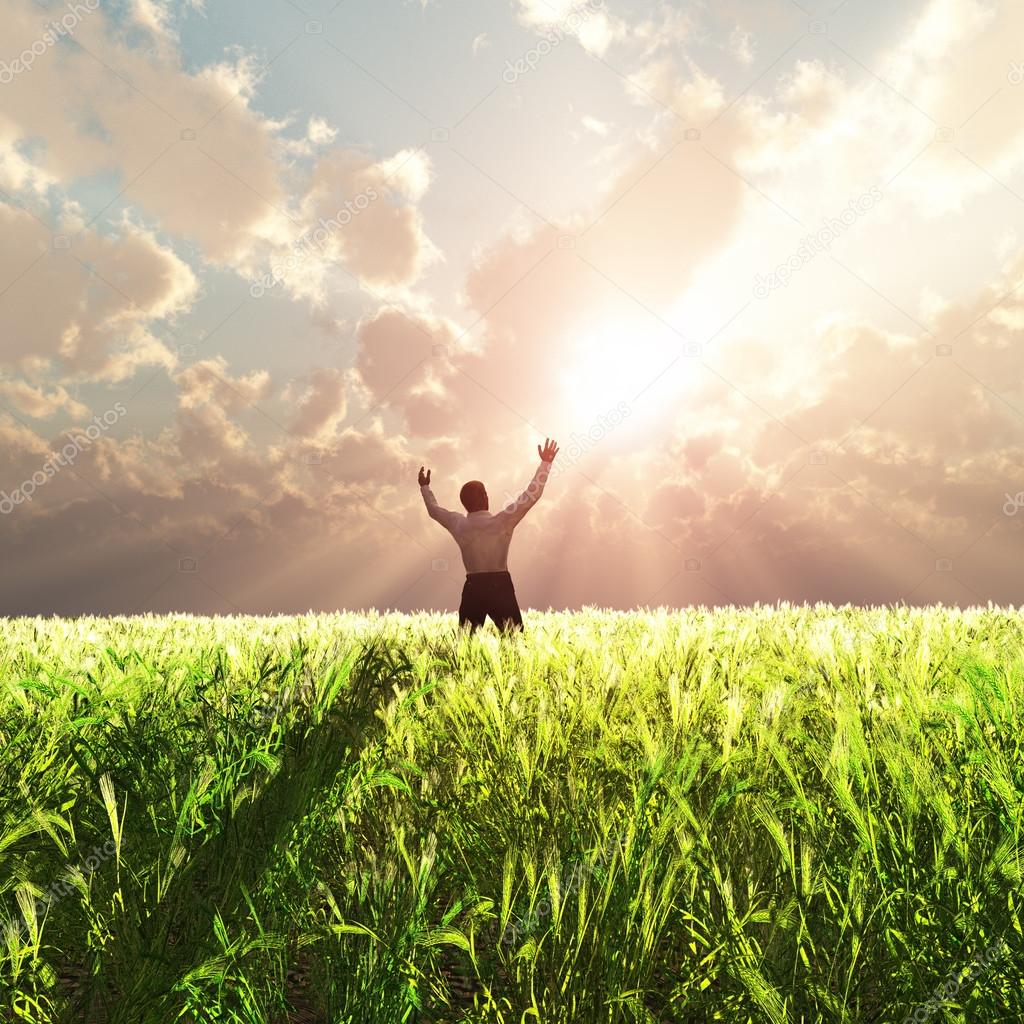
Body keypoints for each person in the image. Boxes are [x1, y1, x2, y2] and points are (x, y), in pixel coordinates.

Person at [419, 438, 559, 632]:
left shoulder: (458, 524)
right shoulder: (503, 521)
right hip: (500, 586)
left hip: (473, 586)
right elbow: (531, 495)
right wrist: (546, 463)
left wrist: (424, 487)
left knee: (466, 647)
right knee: (514, 642)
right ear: (485, 497)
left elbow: (433, 510)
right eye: (485, 492)